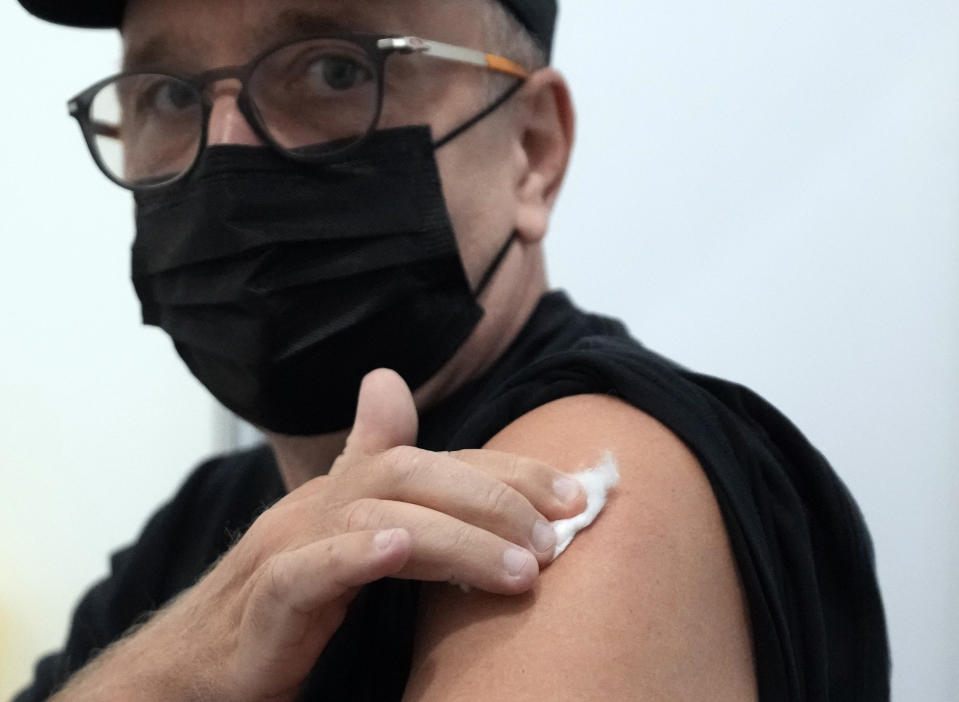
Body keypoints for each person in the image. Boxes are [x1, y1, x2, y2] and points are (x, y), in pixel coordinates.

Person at [13, 0, 890, 700]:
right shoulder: (202, 539)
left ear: (532, 152)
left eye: (334, 68)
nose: (225, 152)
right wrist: (172, 669)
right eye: (167, 96)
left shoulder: (584, 482)